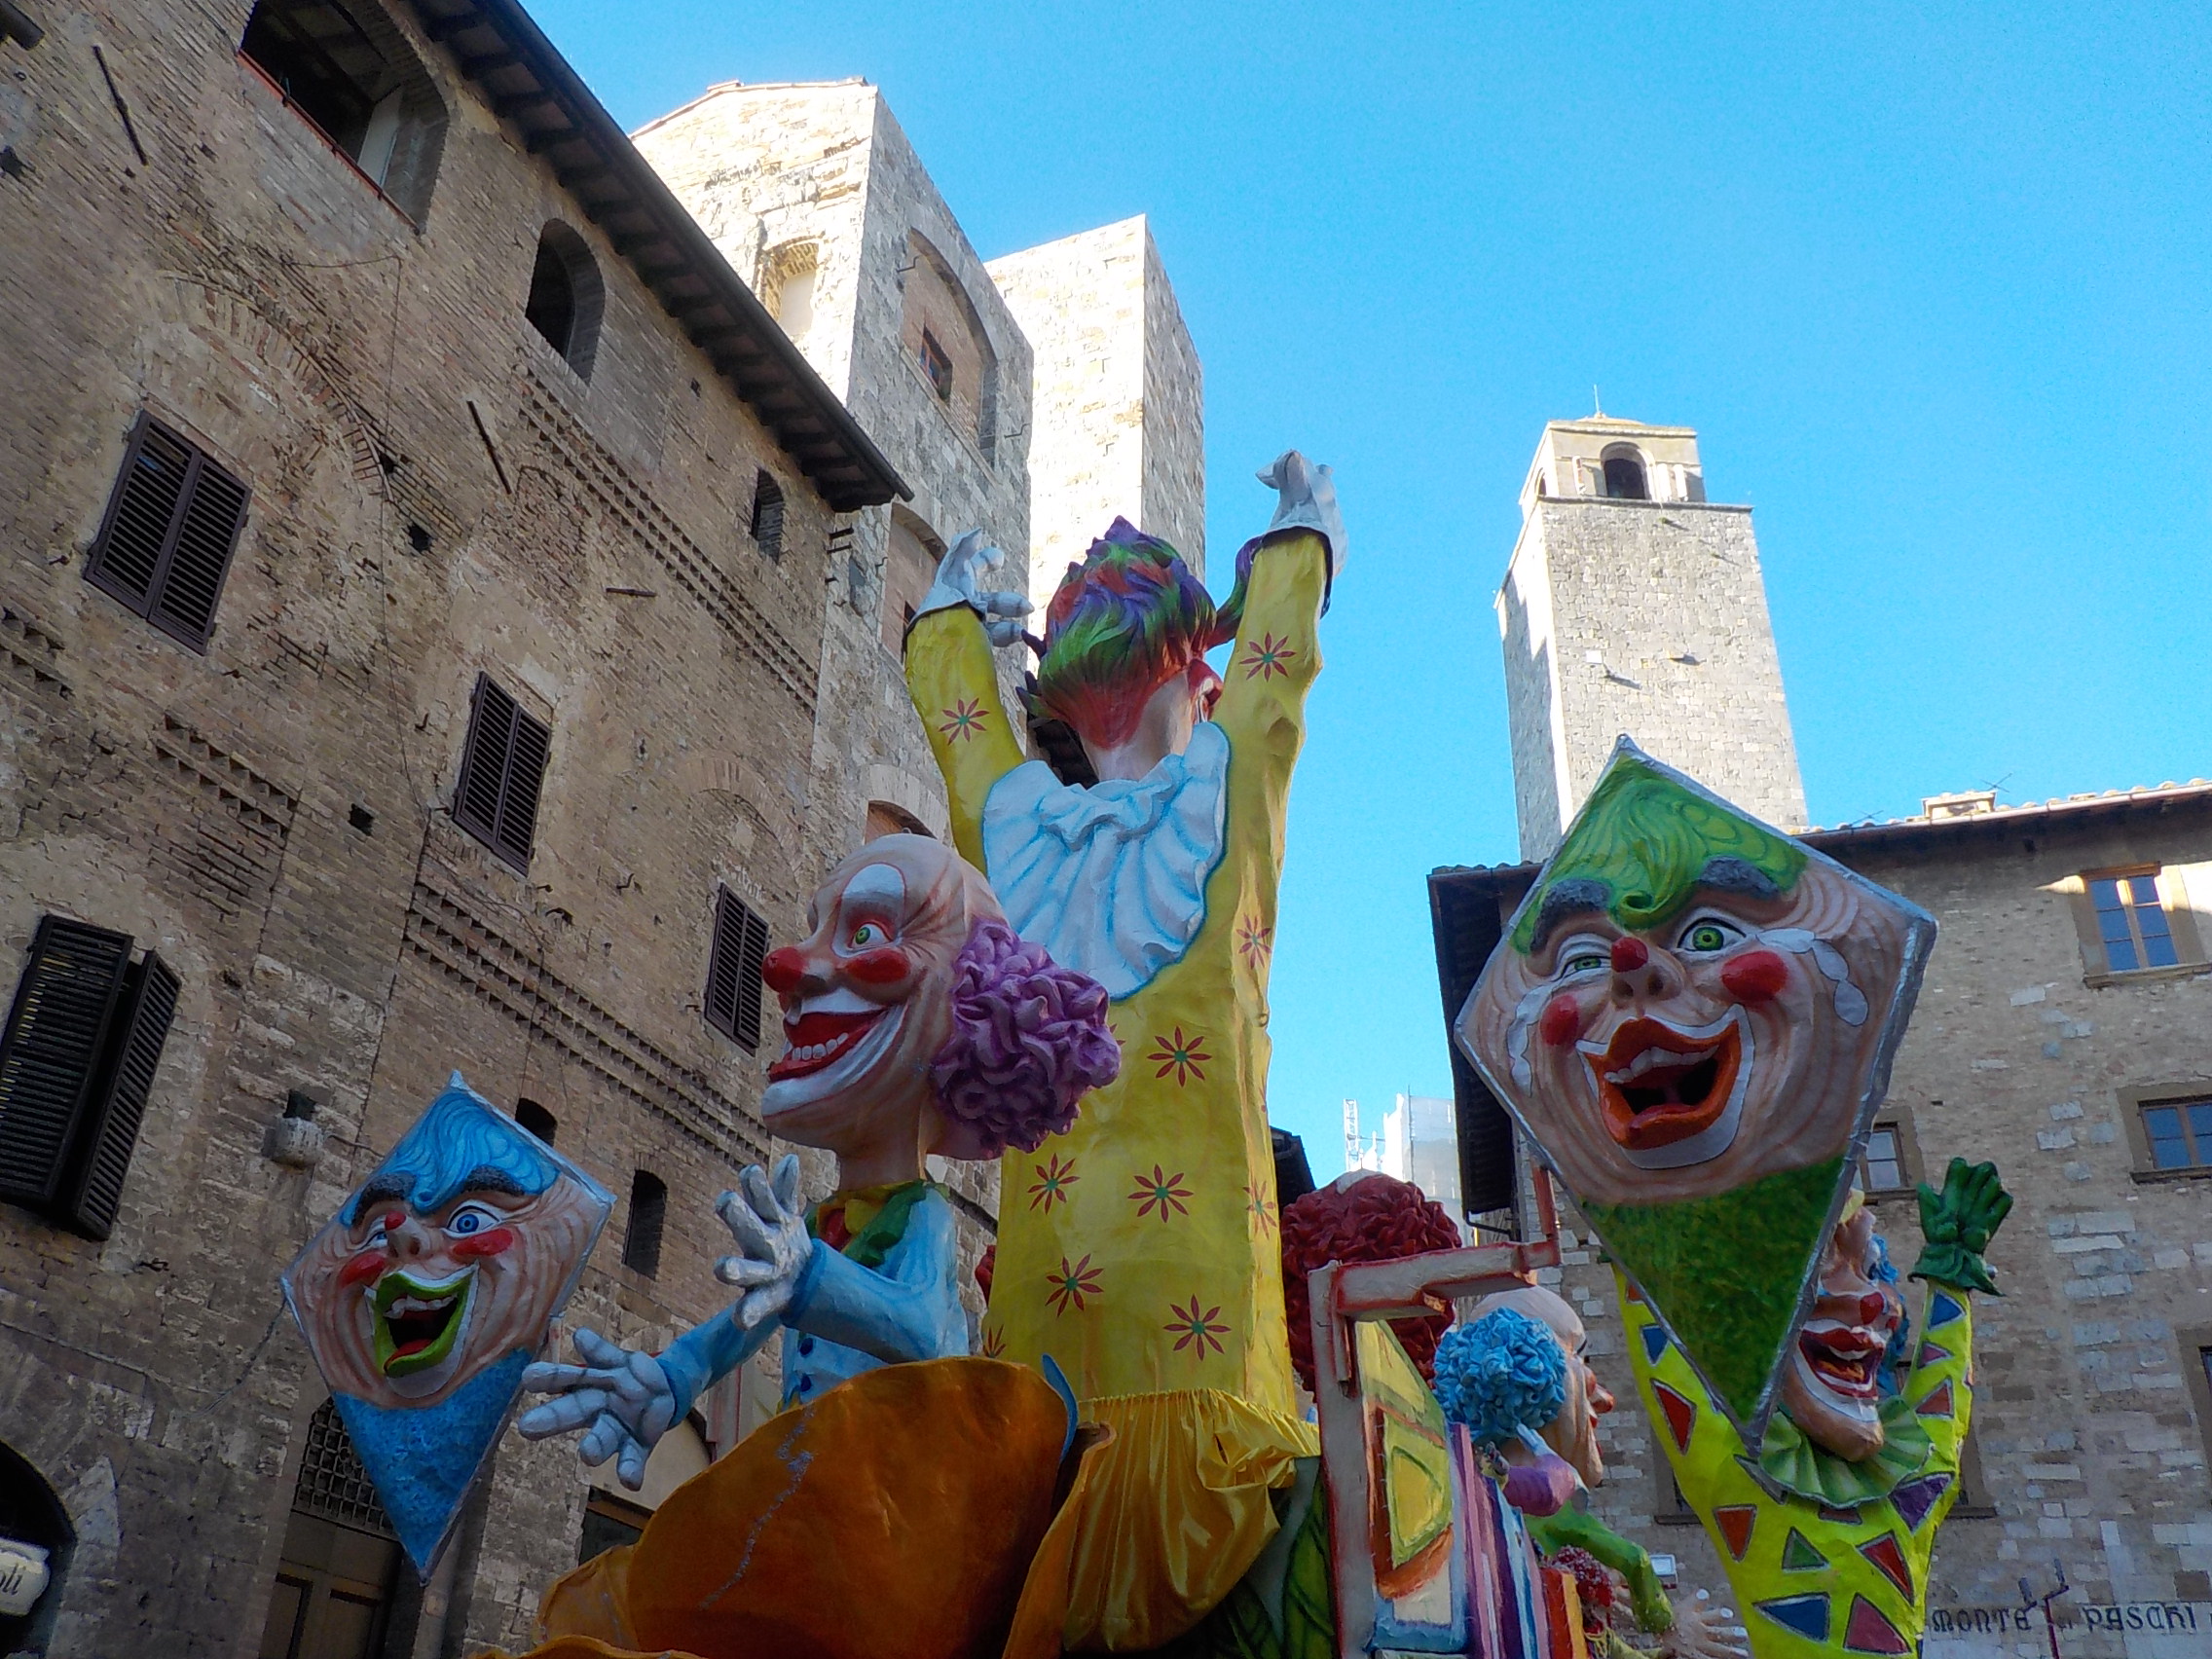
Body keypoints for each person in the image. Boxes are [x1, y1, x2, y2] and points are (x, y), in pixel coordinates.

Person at [903, 454, 1343, 1649]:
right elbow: (1279, 671)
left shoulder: (1034, 819)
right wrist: (1298, 539)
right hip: (1130, 1393)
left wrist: (947, 630)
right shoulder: (1186, 793)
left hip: (1103, 1385)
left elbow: (964, 744)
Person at [507, 836, 1120, 1659]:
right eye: (814, 929)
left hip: (896, 1546)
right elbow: (758, 1315)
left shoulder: (921, 1218)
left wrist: (813, 1277)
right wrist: (672, 1375)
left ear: (962, 1009)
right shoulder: (823, 1228)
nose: (790, 965)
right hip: (816, 1521)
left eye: (863, 935)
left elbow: (927, 1338)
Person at [1624, 1162, 2010, 1658]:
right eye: (1821, 1261)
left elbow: (1944, 1393)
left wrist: (1952, 1272)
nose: (1872, 1301)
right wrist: (1634, 1238)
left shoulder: (1913, 1486)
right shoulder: (1744, 1482)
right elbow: (1668, 1367)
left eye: (1869, 1270)